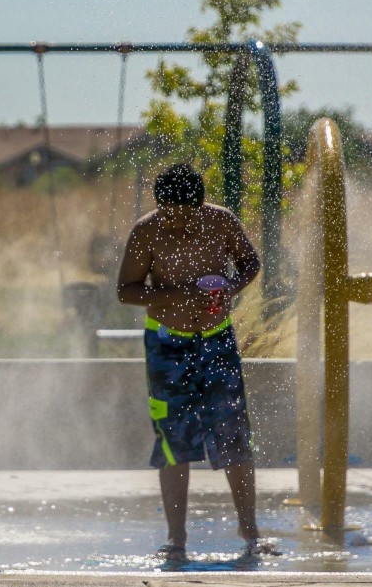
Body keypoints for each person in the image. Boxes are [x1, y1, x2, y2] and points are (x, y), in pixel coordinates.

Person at [116, 163, 279, 561]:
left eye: (186, 214)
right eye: (170, 214)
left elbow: (250, 264)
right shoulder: (147, 231)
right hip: (167, 344)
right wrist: (176, 295)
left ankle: (250, 531)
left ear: (201, 203)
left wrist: (230, 289)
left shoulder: (221, 222)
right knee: (173, 441)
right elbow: (126, 290)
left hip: (216, 340)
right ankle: (176, 539)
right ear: (160, 206)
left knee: (235, 433)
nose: (178, 224)